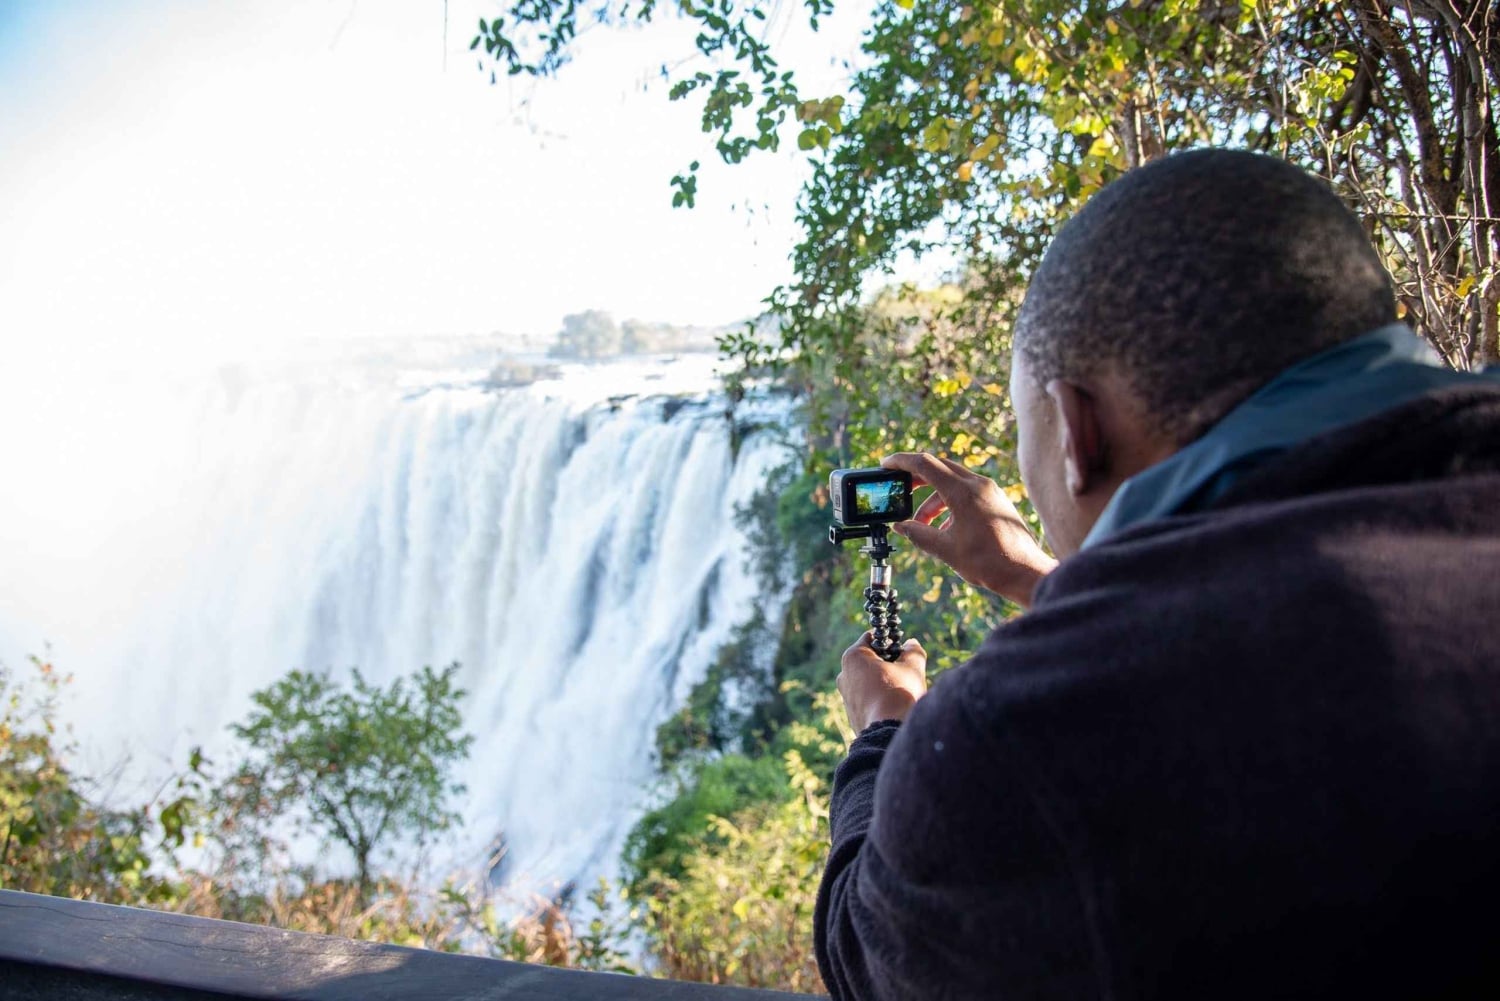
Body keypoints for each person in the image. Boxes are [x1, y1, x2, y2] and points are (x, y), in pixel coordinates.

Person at [816, 149, 1500, 1000]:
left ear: (1078, 431)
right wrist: (1042, 581)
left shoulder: (1029, 732)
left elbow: (872, 958)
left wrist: (883, 730)